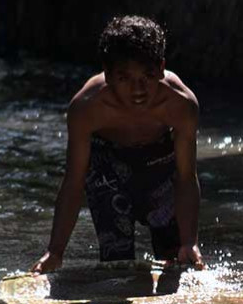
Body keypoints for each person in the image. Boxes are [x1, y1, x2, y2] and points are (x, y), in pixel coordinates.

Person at [30, 15, 203, 274]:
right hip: (108, 173)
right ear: (108, 75)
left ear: (162, 68)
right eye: (125, 78)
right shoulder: (86, 107)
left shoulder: (181, 105)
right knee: (117, 269)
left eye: (148, 75)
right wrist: (55, 252)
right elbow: (74, 181)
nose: (138, 89)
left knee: (178, 263)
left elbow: (187, 176)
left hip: (160, 170)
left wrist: (190, 241)